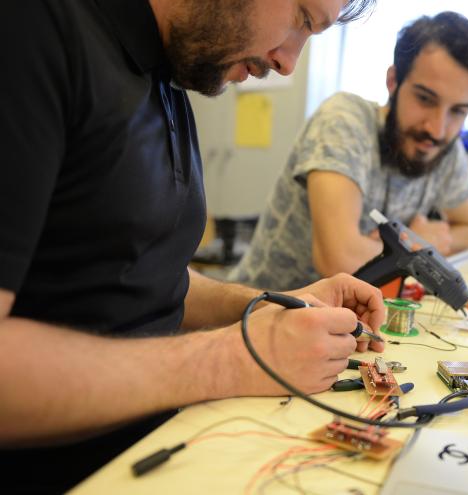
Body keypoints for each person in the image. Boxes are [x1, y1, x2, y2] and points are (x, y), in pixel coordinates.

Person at [0, 0, 380, 491]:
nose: (289, 62)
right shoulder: (32, 29)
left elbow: (141, 272)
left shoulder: (166, 69)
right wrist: (234, 359)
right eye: (302, 19)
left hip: (157, 451)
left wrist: (273, 306)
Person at [230, 12, 468, 291]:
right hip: (262, 307)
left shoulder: (444, 147)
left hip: (353, 312)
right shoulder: (344, 121)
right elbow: (339, 260)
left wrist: (412, 246)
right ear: (393, 81)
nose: (437, 129)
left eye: (458, 111)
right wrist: (417, 246)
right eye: (425, 99)